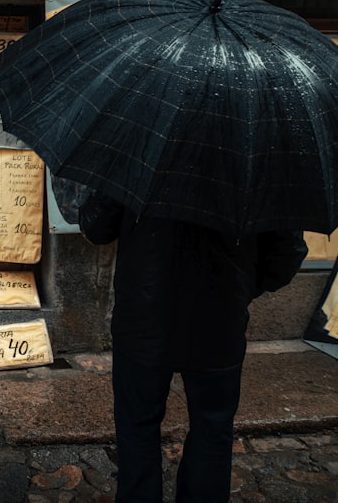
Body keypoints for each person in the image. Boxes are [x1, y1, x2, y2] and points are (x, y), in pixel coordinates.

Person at [78, 190, 308, 503]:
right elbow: (286, 254)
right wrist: (242, 288)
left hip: (144, 318)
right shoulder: (257, 168)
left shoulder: (145, 153)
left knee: (137, 426)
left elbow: (96, 226)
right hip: (218, 320)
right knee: (212, 428)